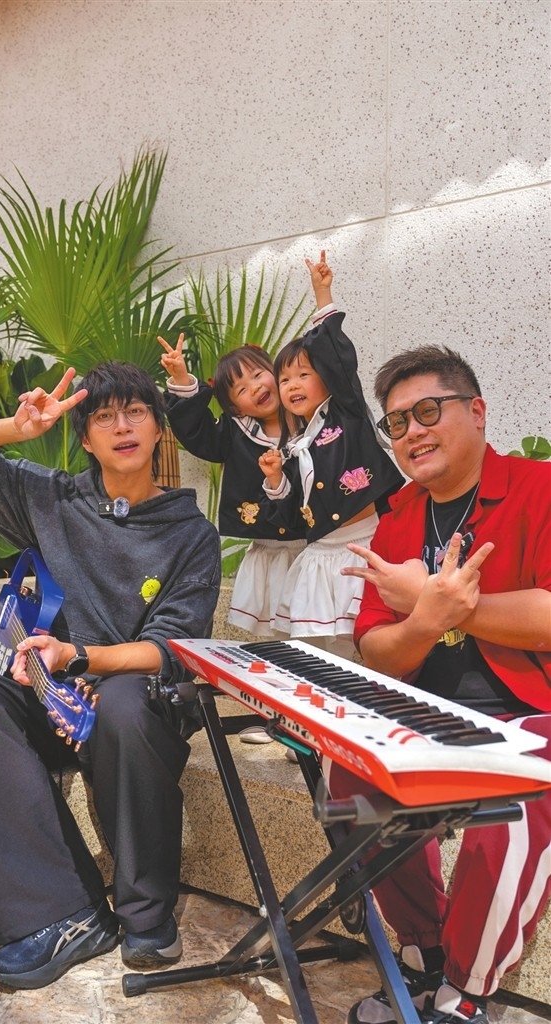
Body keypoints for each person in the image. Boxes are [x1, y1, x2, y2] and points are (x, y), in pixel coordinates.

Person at [0, 361, 221, 990]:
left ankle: (146, 912)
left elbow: (171, 649)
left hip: (131, 698)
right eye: (104, 416)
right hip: (53, 690)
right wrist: (14, 427)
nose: (122, 426)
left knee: (126, 705)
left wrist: (80, 657)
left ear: (159, 428)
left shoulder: (191, 534)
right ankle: (66, 914)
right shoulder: (53, 499)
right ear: (85, 439)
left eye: (136, 411)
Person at [333, 344, 551, 1024]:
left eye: (426, 411)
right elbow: (377, 650)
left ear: (477, 412)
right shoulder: (396, 518)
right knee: (346, 783)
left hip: (530, 710)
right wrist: (425, 621)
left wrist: (438, 603)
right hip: (426, 710)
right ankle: (422, 951)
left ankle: (466, 992)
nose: (410, 433)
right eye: (395, 423)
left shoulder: (537, 488)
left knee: (516, 804)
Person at [259, 252, 404, 658]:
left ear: (326, 378)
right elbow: (288, 511)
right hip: (322, 553)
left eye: (303, 373)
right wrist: (274, 480)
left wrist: (323, 296)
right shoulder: (293, 445)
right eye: (284, 379)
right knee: (323, 652)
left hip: (367, 542)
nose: (292, 384)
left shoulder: (347, 411)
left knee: (366, 645)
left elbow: (340, 361)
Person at [160, 333, 305, 640]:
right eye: (241, 389)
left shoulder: (312, 420)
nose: (255, 387)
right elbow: (196, 431)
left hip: (317, 548)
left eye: (257, 374)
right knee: (278, 638)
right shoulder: (232, 433)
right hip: (270, 551)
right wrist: (183, 379)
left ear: (276, 371)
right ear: (235, 408)